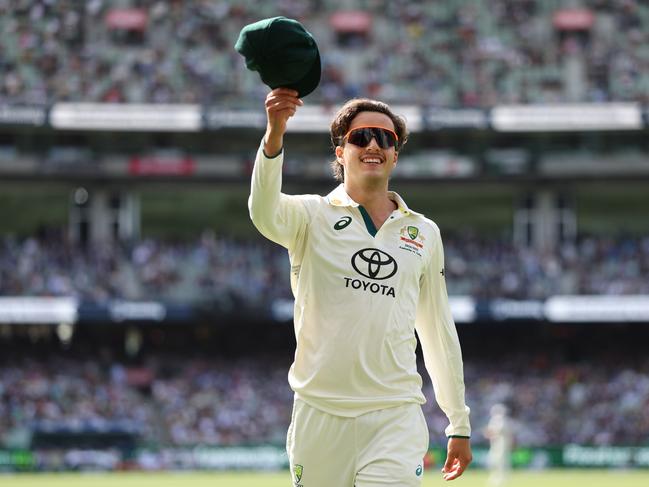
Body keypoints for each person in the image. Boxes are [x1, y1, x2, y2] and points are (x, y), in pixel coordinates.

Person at [249, 88, 472, 486]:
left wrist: (458, 420)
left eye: (385, 138)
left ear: (395, 155)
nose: (373, 144)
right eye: (360, 136)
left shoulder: (423, 232)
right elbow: (263, 212)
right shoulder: (310, 216)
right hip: (319, 412)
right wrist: (274, 136)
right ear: (340, 152)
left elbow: (437, 329)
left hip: (394, 415)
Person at [484, 403, 513, 487]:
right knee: (494, 460)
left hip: (501, 444)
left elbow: (498, 431)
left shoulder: (502, 419)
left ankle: (501, 478)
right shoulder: (494, 419)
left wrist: (489, 432)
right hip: (495, 443)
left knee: (501, 461)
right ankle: (496, 477)